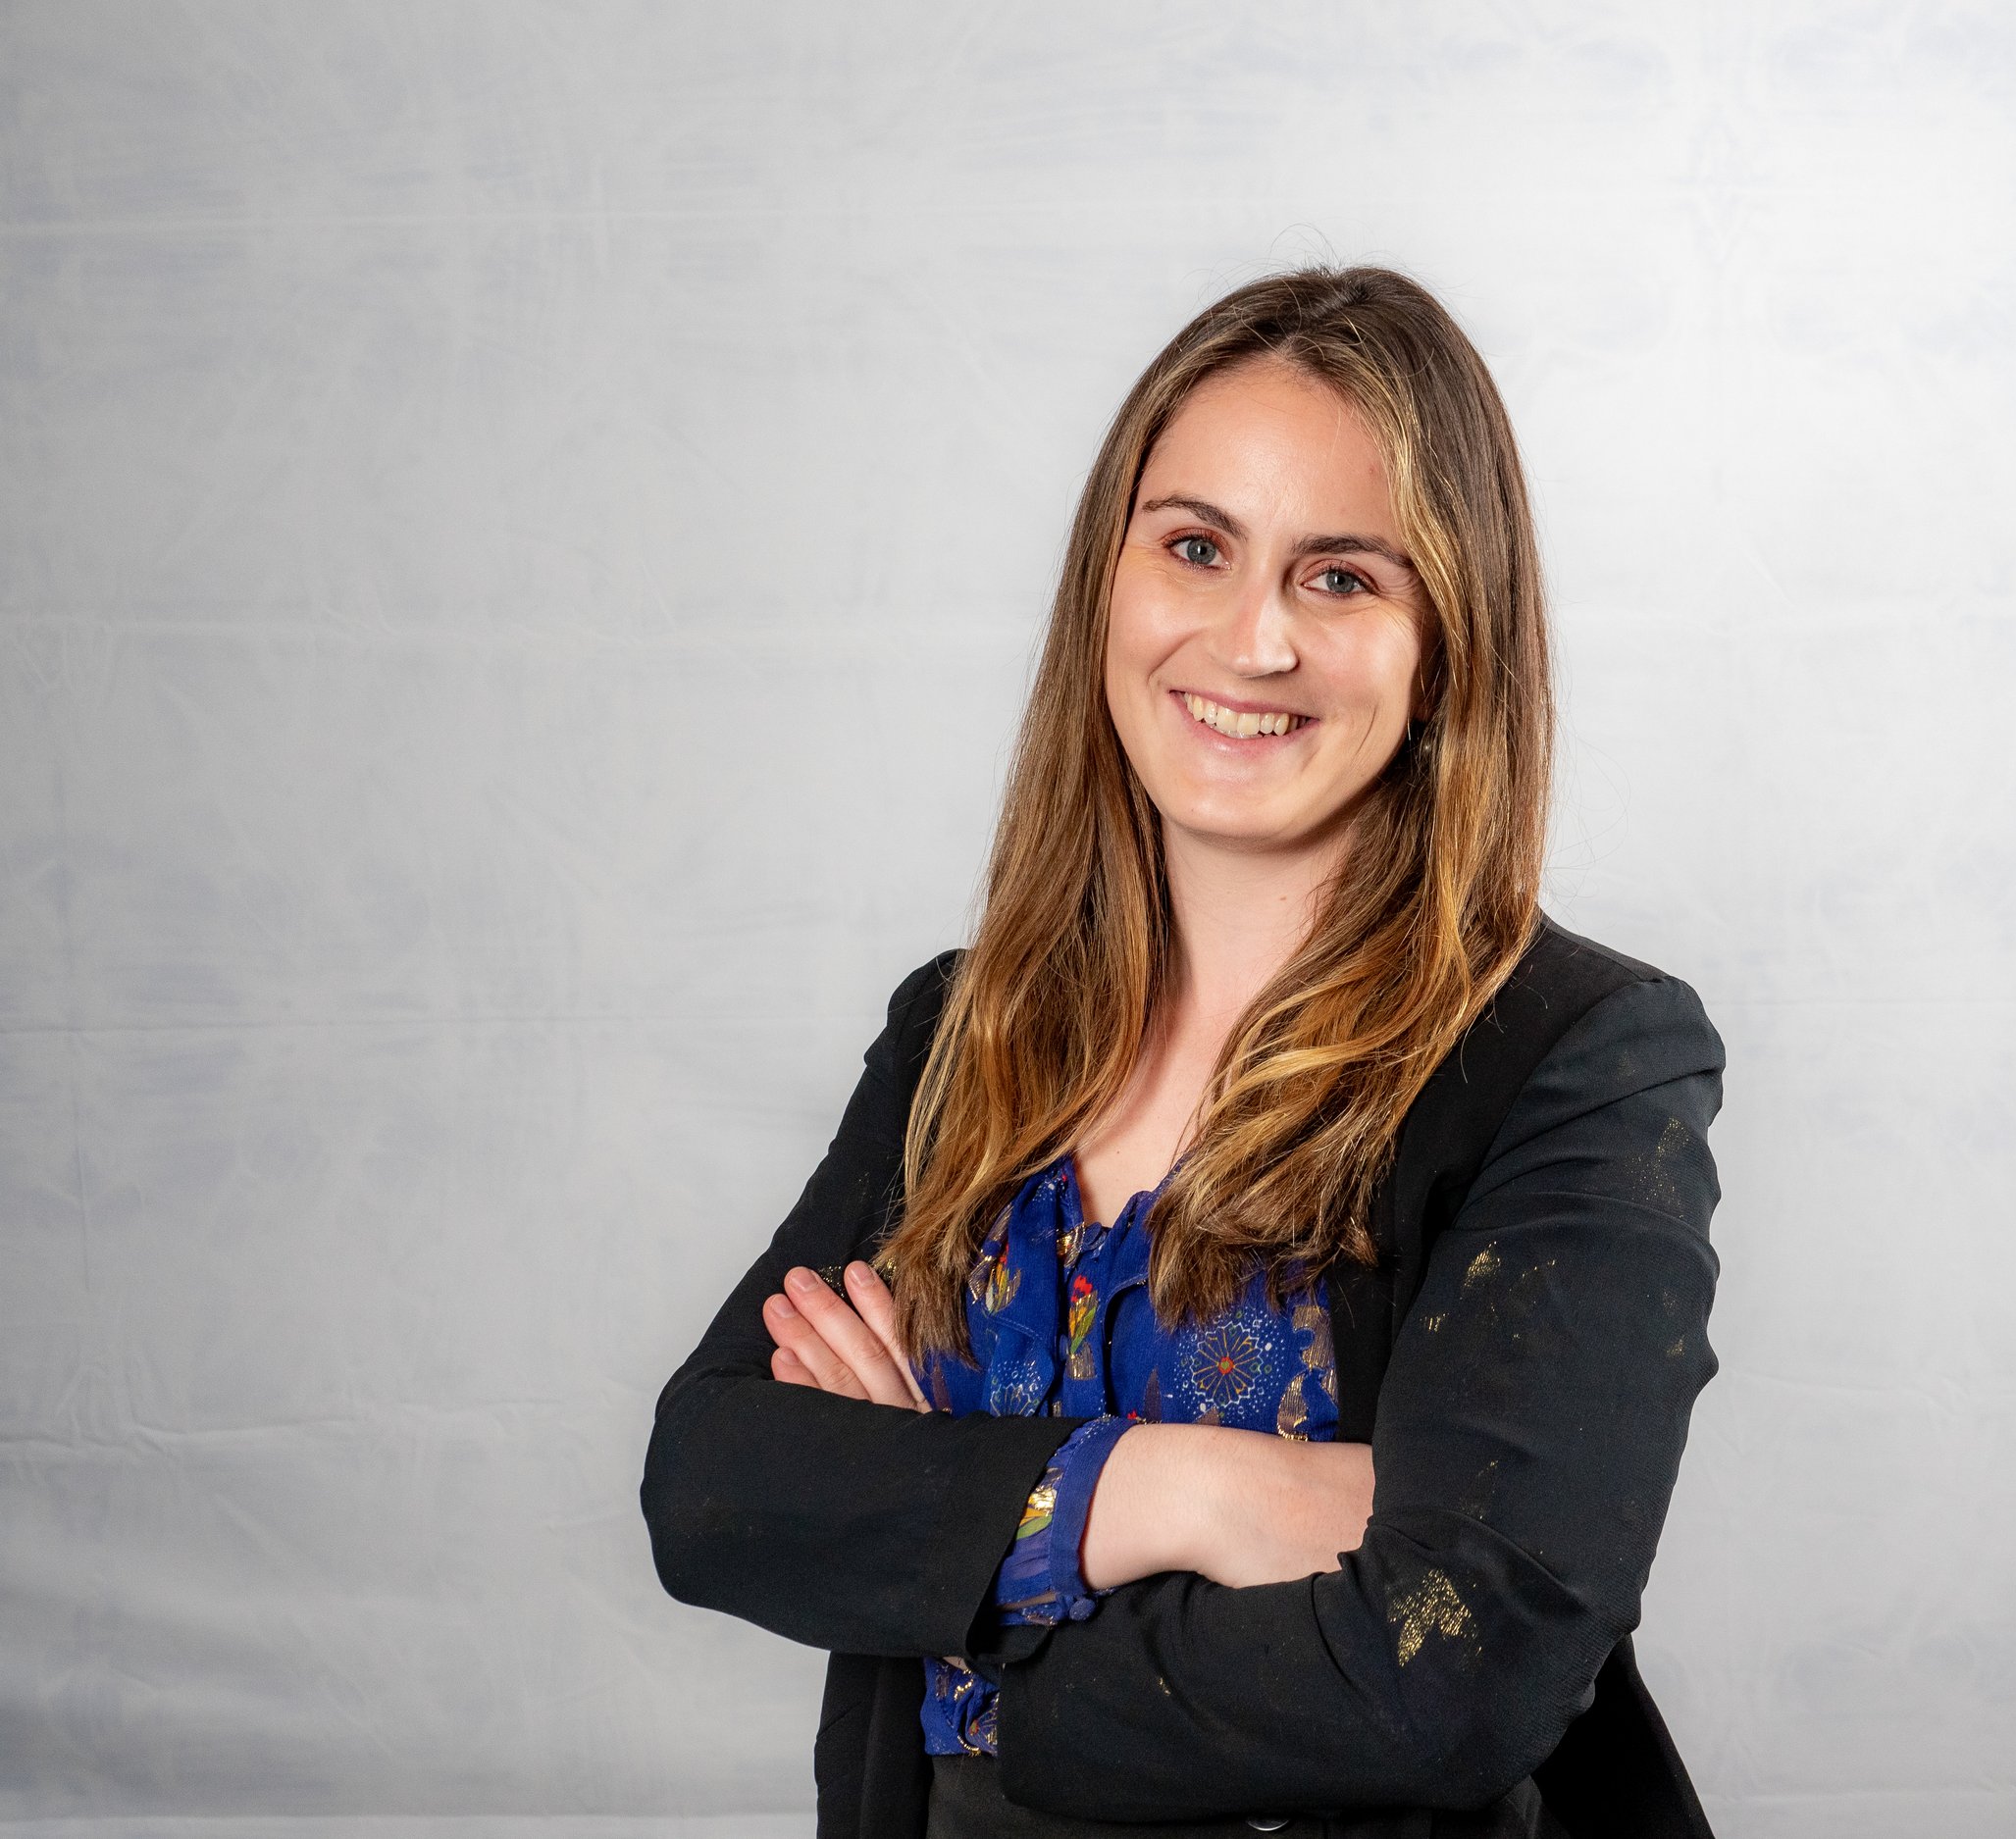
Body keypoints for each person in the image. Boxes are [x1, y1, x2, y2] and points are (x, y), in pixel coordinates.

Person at [641, 267, 1726, 1839]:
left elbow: (1457, 1673)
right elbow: (715, 1482)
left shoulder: (1577, 1061)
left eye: (1342, 577)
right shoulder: (962, 1029)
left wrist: (962, 1574)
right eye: (1197, 547)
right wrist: (1181, 1494)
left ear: (1447, 646)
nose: (1252, 638)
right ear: (1111, 578)